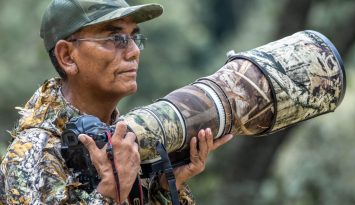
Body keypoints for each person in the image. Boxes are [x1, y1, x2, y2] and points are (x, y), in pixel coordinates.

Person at [0, 0, 233, 204]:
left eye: (134, 37)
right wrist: (109, 194)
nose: (134, 52)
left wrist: (165, 187)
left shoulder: (126, 140)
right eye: (116, 38)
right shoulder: (33, 153)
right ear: (67, 57)